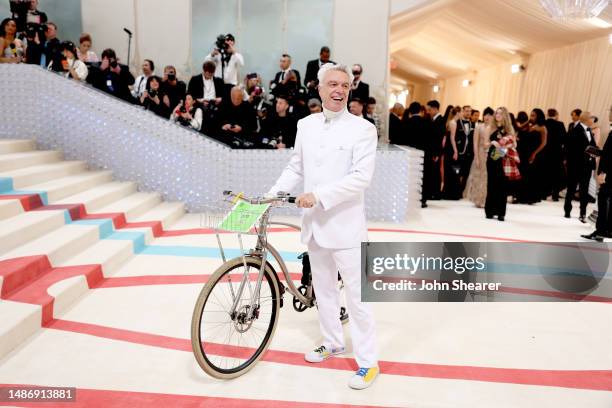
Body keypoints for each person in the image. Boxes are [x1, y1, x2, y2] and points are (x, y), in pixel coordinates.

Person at [268, 63, 379, 390]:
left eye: (344, 85)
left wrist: (318, 196)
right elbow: (296, 166)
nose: (339, 90)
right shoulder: (306, 124)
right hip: (315, 227)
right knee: (326, 292)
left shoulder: (363, 129)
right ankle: (332, 342)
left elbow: (361, 179)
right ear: (318, 88)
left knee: (358, 299)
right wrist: (271, 194)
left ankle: (368, 362)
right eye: (332, 84)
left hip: (346, 229)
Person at [582, 107, 612, 241]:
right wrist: (598, 152)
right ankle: (603, 231)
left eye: (610, 112)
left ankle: (601, 231)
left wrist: (604, 172)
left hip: (609, 173)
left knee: (603, 200)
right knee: (605, 201)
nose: (609, 115)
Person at [485, 107, 517, 221]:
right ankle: (489, 211)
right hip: (493, 156)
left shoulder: (509, 129)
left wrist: (504, 146)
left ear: (505, 116)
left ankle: (501, 213)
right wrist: (492, 142)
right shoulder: (490, 127)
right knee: (492, 184)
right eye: (496, 113)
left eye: (500, 113)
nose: (497, 115)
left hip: (504, 157)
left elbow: (514, 144)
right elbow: (485, 144)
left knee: (502, 185)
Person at [564, 111, 597, 222]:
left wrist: (595, 152)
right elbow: (570, 149)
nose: (594, 120)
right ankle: (567, 210)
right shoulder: (575, 130)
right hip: (576, 165)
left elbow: (592, 145)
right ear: (587, 119)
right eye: (592, 118)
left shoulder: (589, 130)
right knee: (571, 188)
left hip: (587, 165)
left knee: (584, 190)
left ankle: (582, 213)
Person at [401, 102, 430, 207]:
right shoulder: (426, 122)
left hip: (409, 155)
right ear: (420, 110)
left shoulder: (405, 122)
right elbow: (430, 140)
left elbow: (401, 140)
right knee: (423, 177)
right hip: (423, 154)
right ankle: (422, 200)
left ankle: (408, 199)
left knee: (409, 177)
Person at [464, 107, 494, 207]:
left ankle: (486, 200)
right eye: (485, 115)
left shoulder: (494, 128)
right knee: (478, 176)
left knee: (488, 177)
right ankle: (478, 199)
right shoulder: (479, 127)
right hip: (480, 153)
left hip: (491, 154)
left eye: (490, 115)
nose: (487, 117)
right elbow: (475, 143)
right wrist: (476, 157)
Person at [544, 109, 567, 201]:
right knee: (557, 174)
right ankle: (555, 194)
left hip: (545, 152)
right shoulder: (560, 124)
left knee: (545, 172)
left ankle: (544, 193)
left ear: (547, 114)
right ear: (556, 115)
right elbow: (564, 139)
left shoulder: (544, 123)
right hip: (557, 152)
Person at [426, 100, 445, 200]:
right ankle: (432, 192)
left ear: (435, 109)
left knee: (435, 172)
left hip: (435, 151)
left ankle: (435, 193)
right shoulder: (433, 119)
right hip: (432, 150)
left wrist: (436, 153)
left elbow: (438, 138)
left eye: (429, 109)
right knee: (432, 172)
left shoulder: (440, 120)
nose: (428, 112)